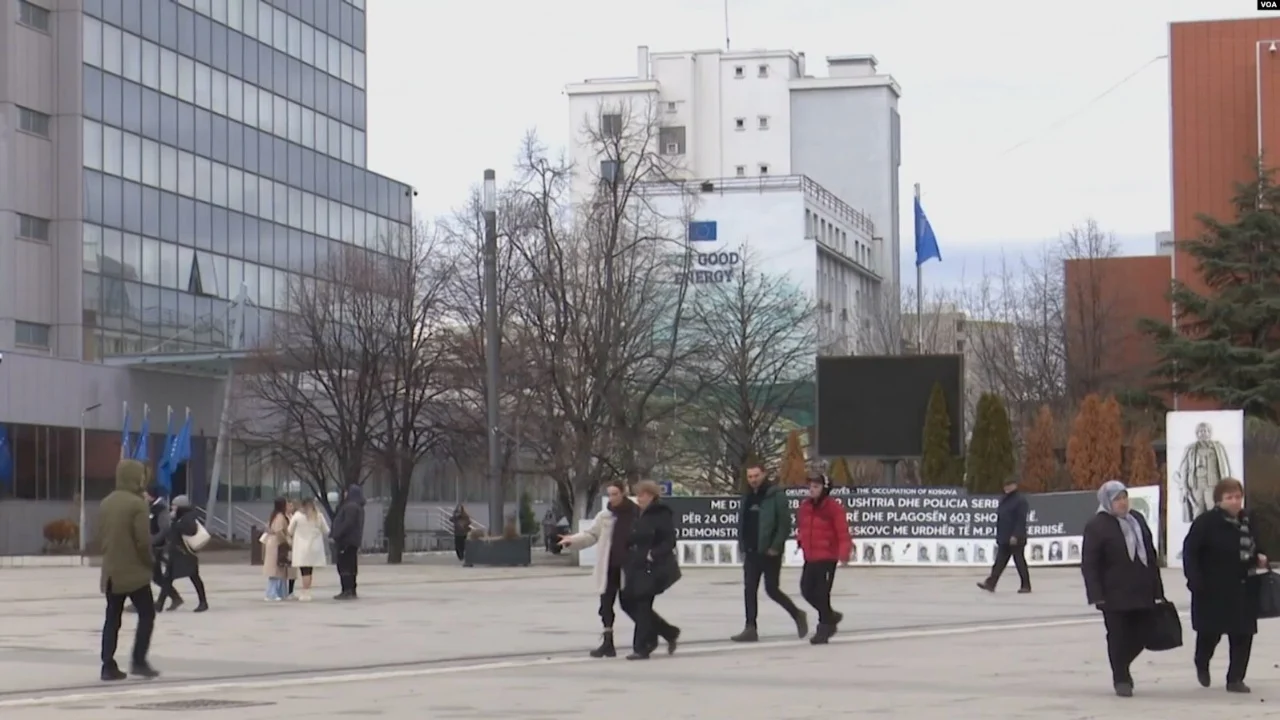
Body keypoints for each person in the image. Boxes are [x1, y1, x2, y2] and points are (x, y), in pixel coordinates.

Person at [1183, 477, 1268, 693]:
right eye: (1229, 497)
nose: (1235, 501)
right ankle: (1202, 662)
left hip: (1244, 585)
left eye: (1238, 497)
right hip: (1213, 587)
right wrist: (1195, 580)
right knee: (1210, 633)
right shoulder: (1206, 522)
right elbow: (1190, 552)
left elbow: (1257, 542)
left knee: (1243, 634)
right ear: (1218, 500)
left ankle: (1235, 678)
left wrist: (1260, 555)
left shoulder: (1248, 519)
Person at [1081, 480, 1164, 698]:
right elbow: (1090, 563)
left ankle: (1121, 663)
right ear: (1107, 501)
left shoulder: (1137, 519)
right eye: (1117, 499)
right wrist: (1095, 594)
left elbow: (1150, 555)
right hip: (1113, 593)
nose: (1122, 503)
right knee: (1118, 636)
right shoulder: (1097, 525)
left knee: (1143, 633)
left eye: (1124, 497)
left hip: (1141, 588)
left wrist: (1157, 589)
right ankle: (1121, 677)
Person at [559, 479, 639, 658]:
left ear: (623, 493)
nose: (612, 498)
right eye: (609, 494)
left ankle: (646, 638)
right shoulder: (605, 516)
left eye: (615, 494)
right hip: (609, 567)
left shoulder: (636, 513)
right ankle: (608, 643)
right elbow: (591, 535)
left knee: (632, 606)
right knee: (605, 605)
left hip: (629, 567)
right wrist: (572, 541)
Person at [98, 459, 160, 681]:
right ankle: (139, 660)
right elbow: (143, 541)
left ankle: (107, 664)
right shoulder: (137, 504)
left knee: (112, 618)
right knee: (147, 614)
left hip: (111, 572)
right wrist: (150, 563)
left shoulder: (106, 502)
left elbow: (101, 536)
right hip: (134, 572)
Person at [731, 462, 807, 642]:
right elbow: (743, 521)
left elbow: (784, 524)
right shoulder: (748, 496)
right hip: (751, 551)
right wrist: (742, 544)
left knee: (772, 589)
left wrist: (776, 546)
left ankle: (797, 614)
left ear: (764, 474)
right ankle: (750, 628)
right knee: (749, 590)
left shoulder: (775, 495)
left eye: (756, 476)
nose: (753, 480)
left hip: (769, 552)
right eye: (750, 477)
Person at [621, 480, 682, 660]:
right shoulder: (639, 514)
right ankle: (668, 632)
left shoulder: (660, 513)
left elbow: (669, 541)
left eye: (642, 495)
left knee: (642, 604)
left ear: (652, 495)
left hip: (653, 567)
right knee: (627, 602)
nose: (639, 498)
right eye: (638, 495)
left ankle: (643, 647)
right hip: (636, 565)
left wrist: (652, 554)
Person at [795, 472, 852, 645]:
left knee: (821, 593)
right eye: (810, 486)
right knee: (806, 589)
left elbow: (842, 531)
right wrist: (801, 541)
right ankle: (831, 616)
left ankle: (825, 625)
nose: (812, 490)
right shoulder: (805, 506)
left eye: (816, 487)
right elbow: (803, 527)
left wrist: (844, 553)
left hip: (827, 557)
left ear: (825, 488)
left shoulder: (833, 508)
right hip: (810, 556)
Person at [155, 495, 208, 613]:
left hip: (186, 553)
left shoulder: (188, 517)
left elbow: (190, 530)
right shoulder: (180, 516)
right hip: (177, 553)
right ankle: (159, 604)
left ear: (180, 506)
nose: (172, 507)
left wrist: (176, 523)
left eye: (174, 505)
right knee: (167, 579)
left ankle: (203, 602)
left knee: (194, 577)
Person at [978, 478, 1031, 594]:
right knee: (999, 562)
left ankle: (1026, 585)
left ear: (1015, 485)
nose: (1006, 488)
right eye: (1005, 485)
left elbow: (1020, 520)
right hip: (1004, 537)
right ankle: (991, 583)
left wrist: (1016, 535)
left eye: (1009, 485)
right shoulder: (1004, 499)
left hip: (1015, 538)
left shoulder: (1020, 500)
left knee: (1019, 561)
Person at [144, 485, 182, 610]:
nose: (144, 495)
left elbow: (164, 529)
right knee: (156, 577)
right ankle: (175, 598)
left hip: (158, 548)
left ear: (151, 495)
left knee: (152, 576)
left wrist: (153, 541)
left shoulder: (161, 509)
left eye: (145, 493)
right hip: (152, 547)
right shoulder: (150, 507)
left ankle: (144, 603)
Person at [288, 498, 331, 602]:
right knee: (309, 570)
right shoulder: (318, 516)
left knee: (304, 570)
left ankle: (305, 591)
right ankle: (307, 590)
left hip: (301, 546)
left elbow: (290, 530)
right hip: (314, 546)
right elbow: (326, 530)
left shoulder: (298, 516)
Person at [330, 484, 366, 600]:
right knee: (351, 565)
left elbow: (347, 523)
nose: (344, 494)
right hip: (353, 541)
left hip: (345, 541)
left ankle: (346, 590)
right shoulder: (358, 507)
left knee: (344, 566)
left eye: (346, 492)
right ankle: (352, 589)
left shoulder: (350, 507)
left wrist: (337, 534)